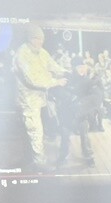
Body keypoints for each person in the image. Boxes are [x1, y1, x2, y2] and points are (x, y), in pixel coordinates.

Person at [13, 23, 67, 170]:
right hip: (28, 101)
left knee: (38, 131)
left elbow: (52, 65)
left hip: (40, 99)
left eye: (41, 38)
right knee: (35, 131)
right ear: (29, 38)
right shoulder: (22, 54)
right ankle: (39, 164)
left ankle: (30, 160)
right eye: (36, 38)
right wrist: (56, 82)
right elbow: (33, 79)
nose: (40, 41)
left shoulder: (42, 52)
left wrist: (67, 72)